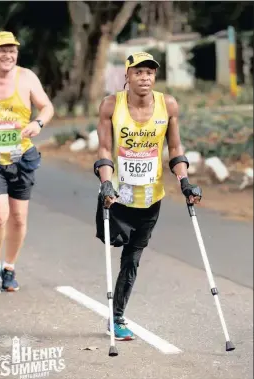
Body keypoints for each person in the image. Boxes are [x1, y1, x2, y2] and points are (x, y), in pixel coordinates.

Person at [94, 52, 202, 340]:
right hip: (115, 196)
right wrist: (105, 182)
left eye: (150, 73)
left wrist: (185, 181)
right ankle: (116, 309)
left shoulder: (168, 105)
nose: (144, 78)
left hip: (150, 196)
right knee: (113, 243)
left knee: (132, 258)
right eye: (138, 72)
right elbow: (104, 149)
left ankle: (116, 317)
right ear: (127, 77)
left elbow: (175, 149)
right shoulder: (110, 105)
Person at [0, 31, 54, 295]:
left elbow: (47, 107)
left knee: (17, 218)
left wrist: (37, 123)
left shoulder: (26, 77)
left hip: (21, 157)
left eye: (12, 50)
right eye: (2, 50)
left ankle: (10, 268)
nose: (8, 55)